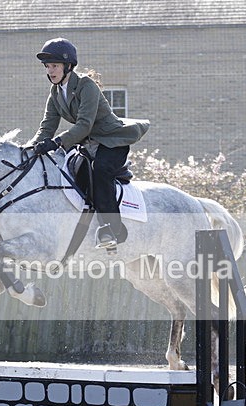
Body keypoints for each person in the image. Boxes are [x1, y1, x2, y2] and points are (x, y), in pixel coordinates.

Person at [28, 38, 150, 248]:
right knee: (73, 173)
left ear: (68, 66)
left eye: (55, 66)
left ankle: (113, 230)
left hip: (112, 140)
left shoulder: (87, 86)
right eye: (47, 67)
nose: (50, 71)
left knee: (100, 170)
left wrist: (56, 142)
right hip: (88, 144)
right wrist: (29, 148)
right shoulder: (56, 93)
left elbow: (84, 125)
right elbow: (47, 126)